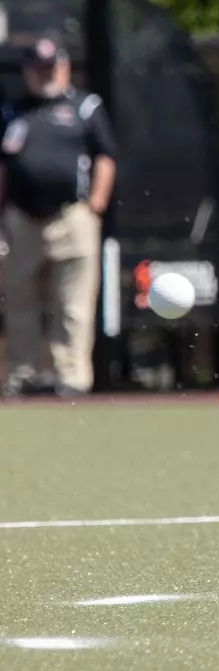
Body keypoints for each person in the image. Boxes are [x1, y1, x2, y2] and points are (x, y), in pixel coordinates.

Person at [0, 33, 118, 398]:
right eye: (38, 67)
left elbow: (105, 155)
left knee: (73, 304)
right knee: (19, 302)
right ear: (27, 70)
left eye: (51, 67)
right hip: (21, 218)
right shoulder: (12, 112)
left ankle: (72, 377)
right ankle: (22, 375)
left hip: (72, 217)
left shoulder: (85, 107)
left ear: (64, 67)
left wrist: (95, 204)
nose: (45, 74)